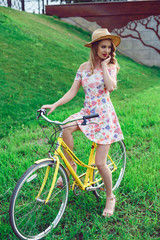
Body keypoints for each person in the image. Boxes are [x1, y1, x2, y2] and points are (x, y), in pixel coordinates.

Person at [41, 28, 124, 217]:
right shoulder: (83, 68)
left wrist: (103, 66)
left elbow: (110, 87)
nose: (106, 51)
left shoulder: (110, 67)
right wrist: (55, 104)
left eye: (109, 48)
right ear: (94, 47)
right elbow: (72, 91)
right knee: (65, 127)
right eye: (103, 47)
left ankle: (110, 197)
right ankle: (71, 166)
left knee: (100, 163)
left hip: (103, 117)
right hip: (87, 113)